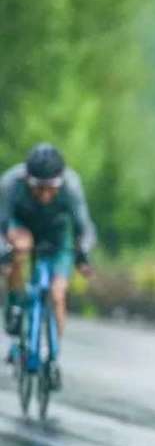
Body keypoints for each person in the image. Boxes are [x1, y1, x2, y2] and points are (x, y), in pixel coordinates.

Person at [0, 143, 96, 388]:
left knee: (57, 293)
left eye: (51, 188)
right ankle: (14, 303)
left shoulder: (71, 186)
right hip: (22, 227)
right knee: (20, 248)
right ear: (27, 180)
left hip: (57, 234)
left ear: (60, 182)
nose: (44, 195)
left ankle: (51, 355)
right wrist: (4, 254)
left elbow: (85, 228)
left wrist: (82, 254)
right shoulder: (11, 183)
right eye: (38, 188)